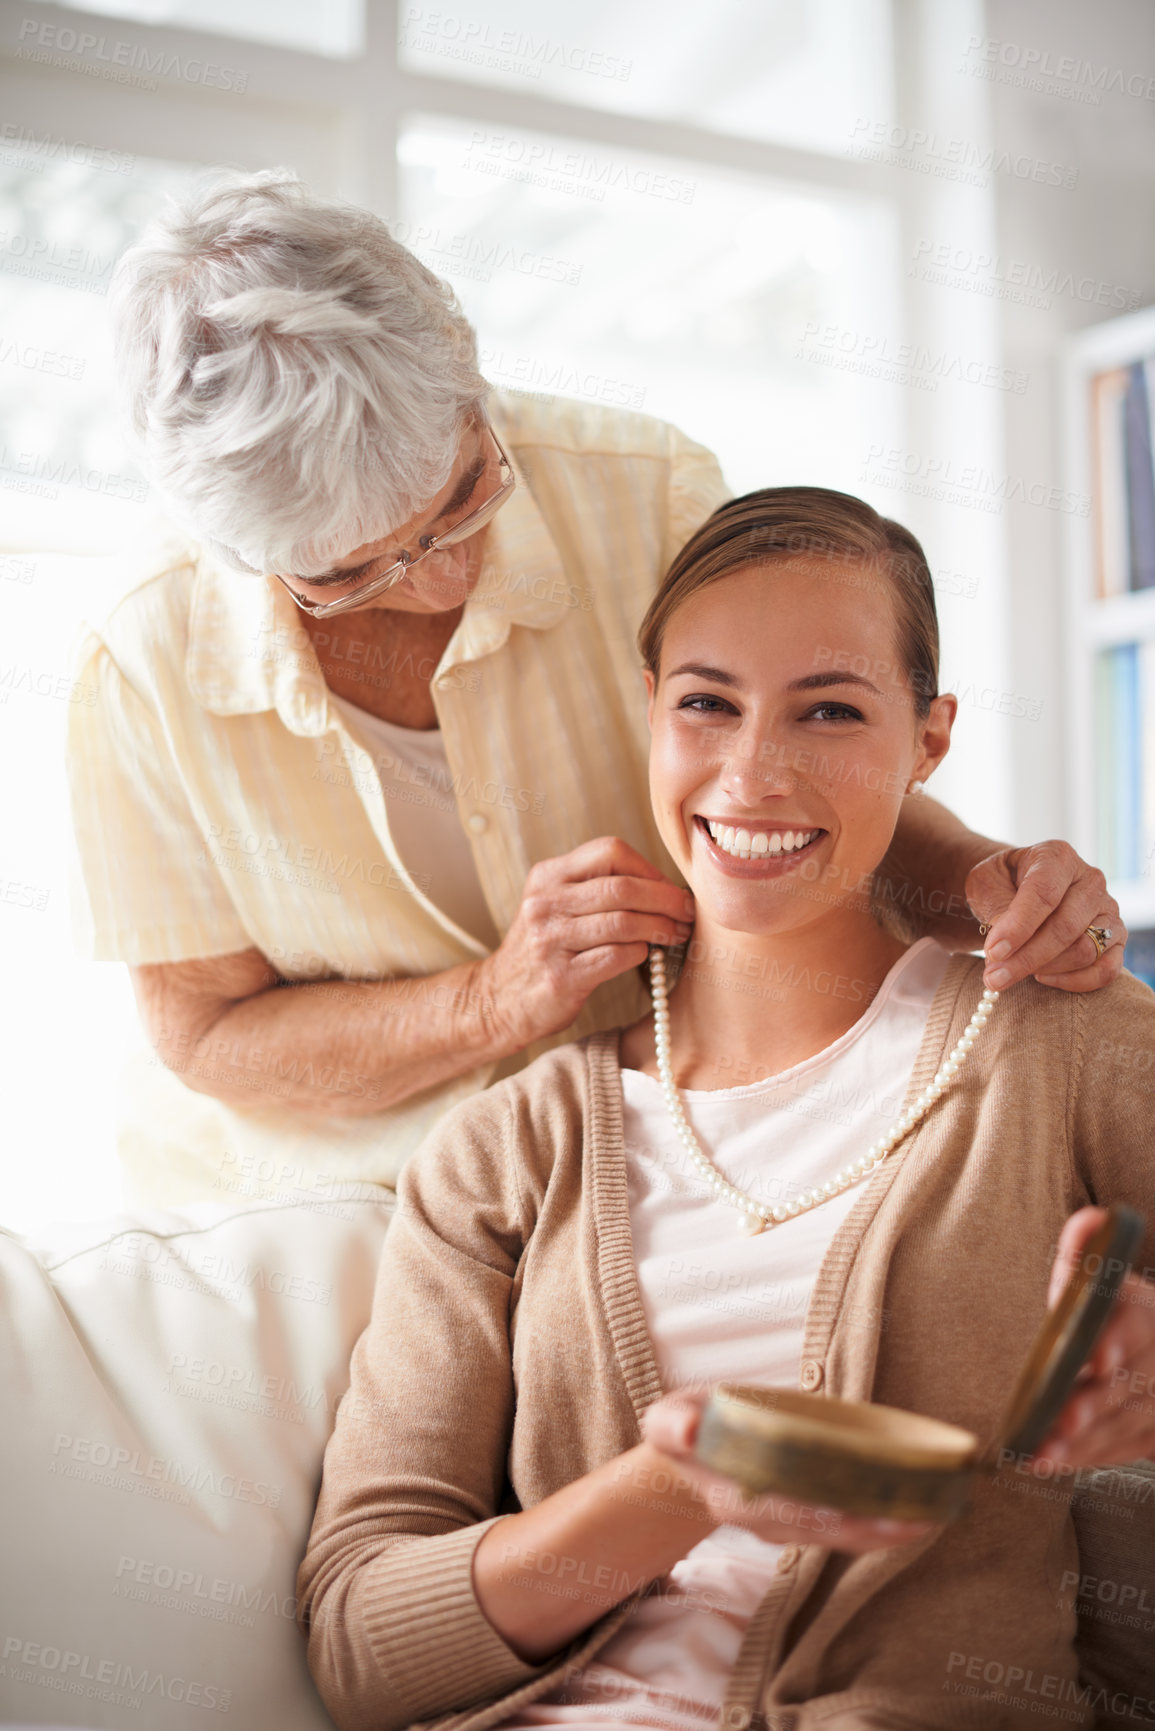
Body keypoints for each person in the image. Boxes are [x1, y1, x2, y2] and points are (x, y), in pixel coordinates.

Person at [67, 169, 1123, 1210]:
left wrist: (987, 883)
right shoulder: (143, 663)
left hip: (649, 1146)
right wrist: (493, 1001)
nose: (440, 577)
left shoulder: (647, 493)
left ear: (469, 383)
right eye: (351, 574)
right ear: (247, 555)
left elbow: (793, 785)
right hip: (323, 1202)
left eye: (464, 496)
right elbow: (205, 1035)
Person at [296, 488, 1155, 1731]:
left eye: (832, 710)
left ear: (930, 740)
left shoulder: (1056, 1042)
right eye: (707, 703)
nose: (755, 771)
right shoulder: (505, 1154)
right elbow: (366, 1647)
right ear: (649, 712)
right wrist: (680, 1489)